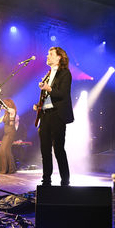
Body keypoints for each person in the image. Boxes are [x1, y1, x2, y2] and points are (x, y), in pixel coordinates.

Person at [34, 47, 74, 186]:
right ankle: (46, 180)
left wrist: (48, 88)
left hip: (58, 115)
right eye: (47, 54)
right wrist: (39, 105)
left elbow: (63, 94)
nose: (47, 56)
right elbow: (47, 95)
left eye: (51, 54)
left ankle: (65, 180)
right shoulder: (48, 74)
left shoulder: (65, 74)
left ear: (59, 58)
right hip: (45, 115)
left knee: (58, 149)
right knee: (45, 150)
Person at [0, 99, 17, 174]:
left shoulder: (12, 110)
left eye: (6, 104)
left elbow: (8, 109)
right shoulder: (5, 114)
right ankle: (10, 169)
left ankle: (6, 169)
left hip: (10, 132)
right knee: (5, 151)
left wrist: (3, 106)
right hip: (6, 133)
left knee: (4, 150)